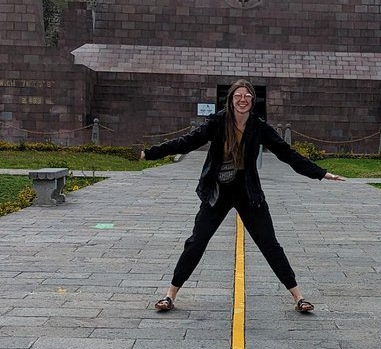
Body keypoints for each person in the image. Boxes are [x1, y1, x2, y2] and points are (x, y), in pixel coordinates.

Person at [140, 79, 345, 314]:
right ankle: (170, 295)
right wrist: (152, 153)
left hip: (248, 193)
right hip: (218, 192)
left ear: (252, 101)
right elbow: (186, 142)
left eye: (247, 96)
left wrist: (321, 174)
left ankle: (298, 297)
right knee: (197, 241)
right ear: (231, 99)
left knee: (269, 244)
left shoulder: (259, 127)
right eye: (238, 96)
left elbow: (286, 154)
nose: (242, 100)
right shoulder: (217, 123)